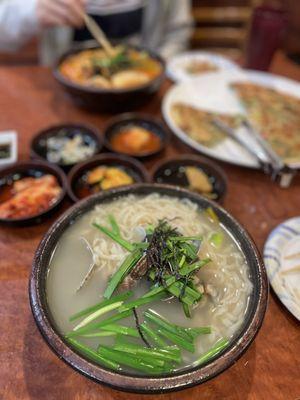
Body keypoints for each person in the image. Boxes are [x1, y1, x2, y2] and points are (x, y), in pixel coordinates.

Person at [0, 0, 192, 65]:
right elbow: (4, 37)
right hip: (66, 90)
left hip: (142, 93)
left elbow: (178, 32)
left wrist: (154, 71)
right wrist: (31, 10)